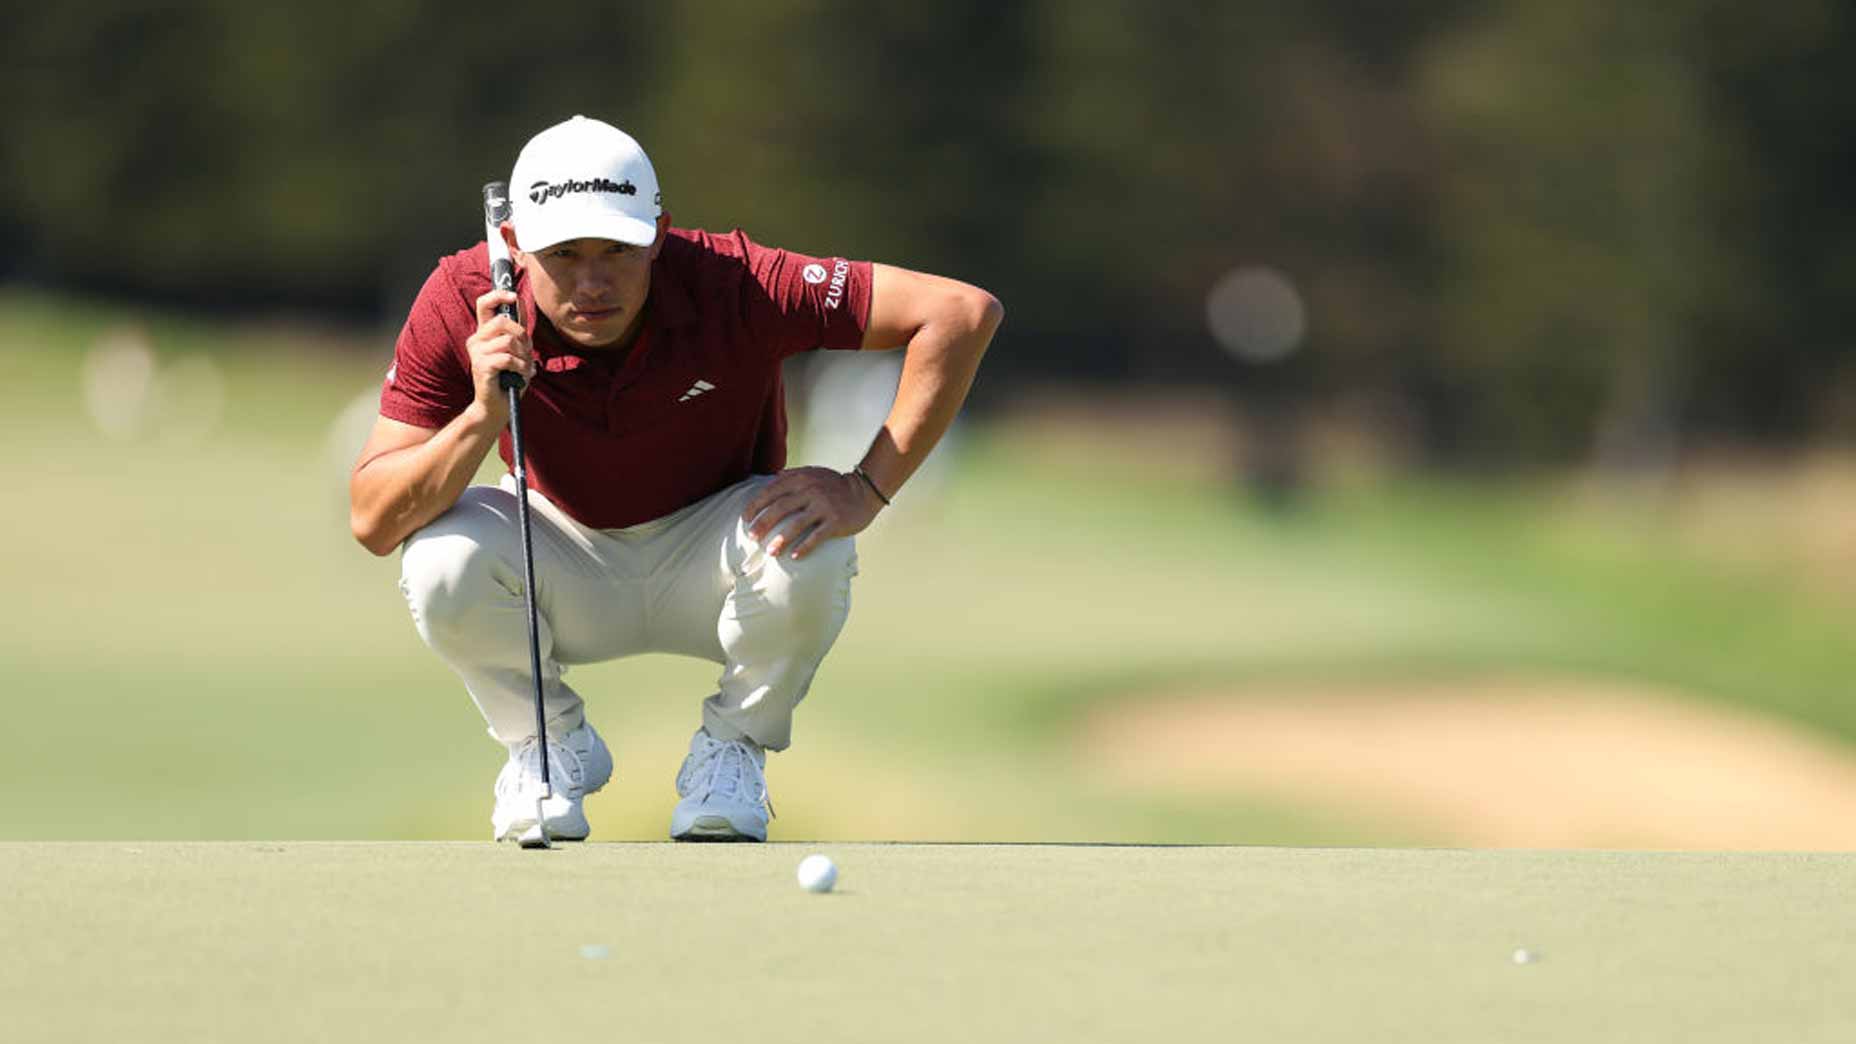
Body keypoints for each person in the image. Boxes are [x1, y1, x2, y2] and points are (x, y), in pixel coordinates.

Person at [348, 115, 1001, 843]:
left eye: (619, 251)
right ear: (513, 244)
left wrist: (865, 489)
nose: (594, 283)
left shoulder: (735, 281)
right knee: (441, 559)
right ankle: (547, 745)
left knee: (812, 543)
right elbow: (374, 520)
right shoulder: (463, 296)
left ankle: (733, 748)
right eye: (564, 254)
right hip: (556, 547)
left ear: (658, 232)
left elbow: (960, 313)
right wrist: (478, 417)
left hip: (716, 549)